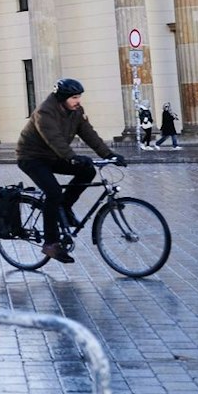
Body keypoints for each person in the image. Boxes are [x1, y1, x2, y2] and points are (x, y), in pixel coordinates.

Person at [17, 77, 121, 264]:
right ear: (63, 98)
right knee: (54, 192)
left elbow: (89, 134)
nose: (78, 101)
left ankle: (64, 207)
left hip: (55, 156)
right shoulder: (45, 112)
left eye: (79, 97)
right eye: (74, 97)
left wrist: (109, 154)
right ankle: (51, 243)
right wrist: (72, 157)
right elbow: (53, 139)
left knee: (88, 171)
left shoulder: (76, 111)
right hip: (32, 158)